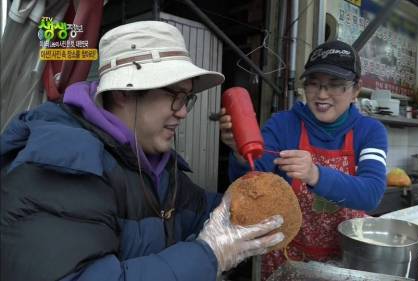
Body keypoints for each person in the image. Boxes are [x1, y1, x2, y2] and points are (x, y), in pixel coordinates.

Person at [0, 21, 284, 281]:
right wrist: (208, 256)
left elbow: (208, 215)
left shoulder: (158, 167)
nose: (183, 112)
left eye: (188, 99)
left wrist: (247, 184)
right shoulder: (57, 164)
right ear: (124, 92)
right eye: (175, 96)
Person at [220, 40, 388, 279]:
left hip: (345, 261)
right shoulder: (283, 124)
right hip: (286, 258)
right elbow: (252, 180)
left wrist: (315, 175)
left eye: (335, 85)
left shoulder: (370, 131)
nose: (321, 95)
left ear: (355, 90)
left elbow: (371, 194)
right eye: (314, 84)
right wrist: (239, 151)